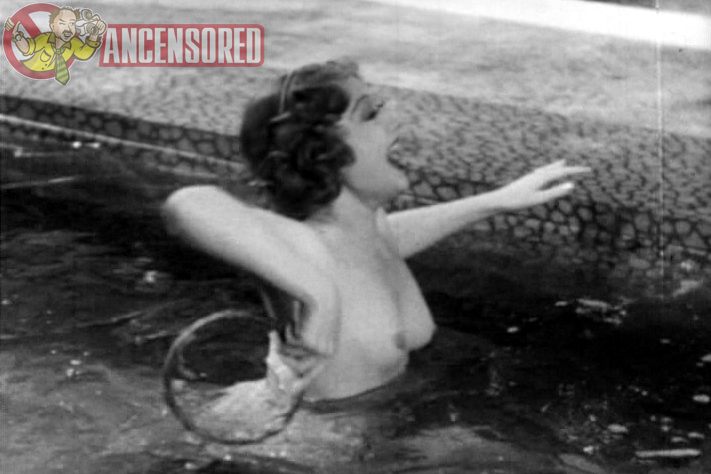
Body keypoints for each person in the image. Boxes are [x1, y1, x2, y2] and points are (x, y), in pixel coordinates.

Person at [162, 59, 589, 437]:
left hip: (375, 432)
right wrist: (320, 296)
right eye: (370, 114)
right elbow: (187, 204)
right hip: (299, 452)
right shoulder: (303, 246)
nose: (392, 121)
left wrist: (493, 202)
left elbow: (385, 246)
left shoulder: (368, 231)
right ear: (325, 154)